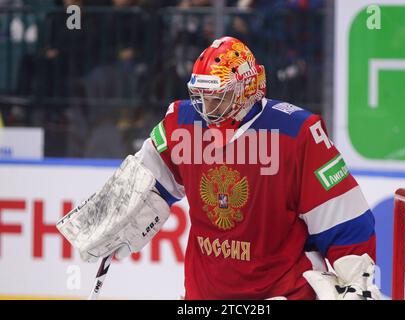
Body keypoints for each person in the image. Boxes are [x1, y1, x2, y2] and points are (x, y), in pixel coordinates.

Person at [59, 36, 379, 300]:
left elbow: (345, 218)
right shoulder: (181, 123)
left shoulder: (297, 133)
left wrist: (356, 284)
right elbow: (144, 183)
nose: (206, 106)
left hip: (280, 292)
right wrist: (113, 215)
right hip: (205, 295)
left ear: (247, 89)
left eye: (218, 96)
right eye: (201, 95)